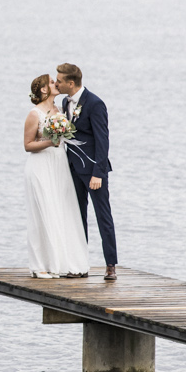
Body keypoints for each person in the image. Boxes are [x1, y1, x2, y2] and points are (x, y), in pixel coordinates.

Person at [23, 72, 89, 279]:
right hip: (40, 165)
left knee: (60, 210)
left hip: (59, 165)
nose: (56, 84)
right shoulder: (34, 114)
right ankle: (39, 266)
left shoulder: (60, 110)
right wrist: (49, 142)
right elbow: (27, 145)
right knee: (42, 213)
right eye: (52, 82)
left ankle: (60, 263)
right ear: (44, 89)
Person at [54, 63, 116, 283]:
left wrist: (98, 173)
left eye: (59, 81)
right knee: (77, 217)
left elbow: (102, 141)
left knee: (103, 217)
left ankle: (110, 266)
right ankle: (79, 264)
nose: (56, 84)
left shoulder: (95, 103)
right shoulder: (65, 102)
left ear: (71, 83)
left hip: (93, 171)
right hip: (73, 168)